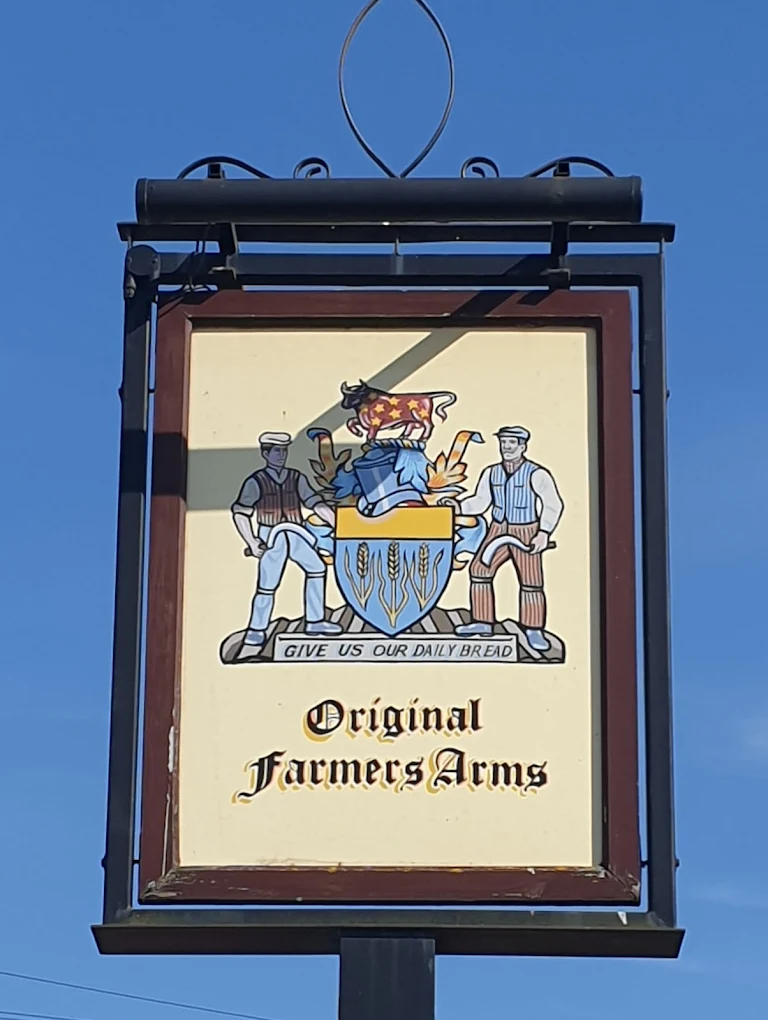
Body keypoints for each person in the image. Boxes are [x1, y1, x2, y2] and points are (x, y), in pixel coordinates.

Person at [231, 431, 341, 661]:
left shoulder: (296, 477)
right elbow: (241, 512)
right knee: (267, 584)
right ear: (265, 454)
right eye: (276, 451)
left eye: (284, 451)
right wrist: (251, 541)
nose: (281, 455)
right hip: (271, 534)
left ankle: (315, 621)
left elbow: (314, 502)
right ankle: (256, 631)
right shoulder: (256, 481)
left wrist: (338, 525)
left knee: (317, 568)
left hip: (296, 531)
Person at [454, 426, 563, 651]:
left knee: (530, 580)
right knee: (479, 569)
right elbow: (481, 501)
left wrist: (544, 533)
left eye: (512, 443)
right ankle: (483, 622)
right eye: (504, 443)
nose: (507, 447)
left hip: (526, 529)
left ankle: (533, 629)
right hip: (497, 528)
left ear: (523, 446)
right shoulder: (491, 472)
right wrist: (458, 507)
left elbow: (553, 504)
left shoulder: (536, 473)